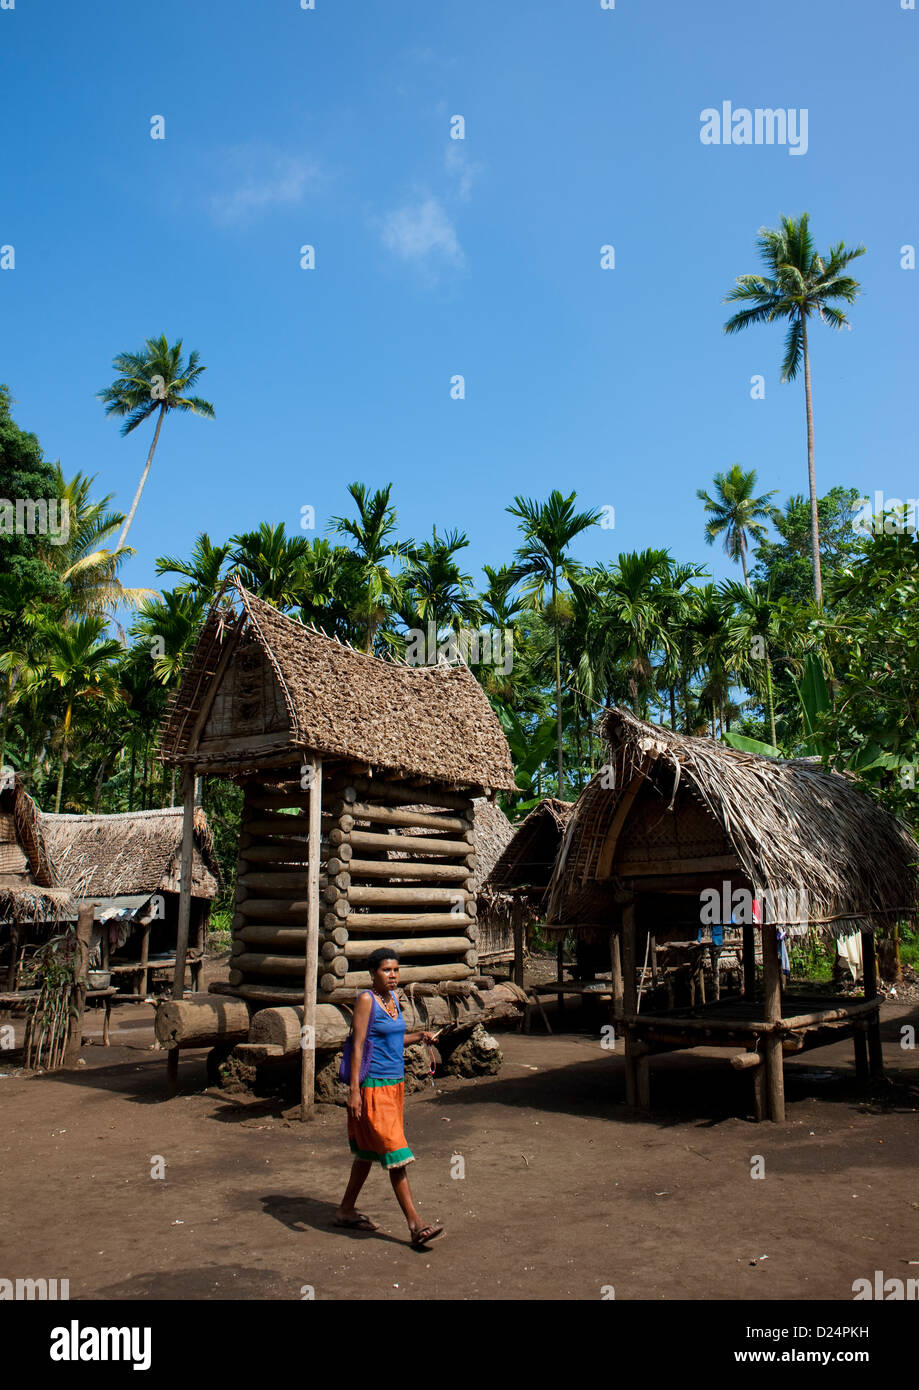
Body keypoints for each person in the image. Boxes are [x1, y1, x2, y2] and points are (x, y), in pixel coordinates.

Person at [334, 947, 444, 1246]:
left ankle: (345, 1210)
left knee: (369, 1152)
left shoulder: (394, 999)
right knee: (396, 1152)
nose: (393, 975)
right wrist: (354, 1091)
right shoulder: (366, 1000)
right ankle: (415, 1224)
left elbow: (394, 1038)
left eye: (396, 969)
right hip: (372, 1086)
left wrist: (419, 1037)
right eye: (386, 970)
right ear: (373, 973)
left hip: (395, 1085)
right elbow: (357, 1046)